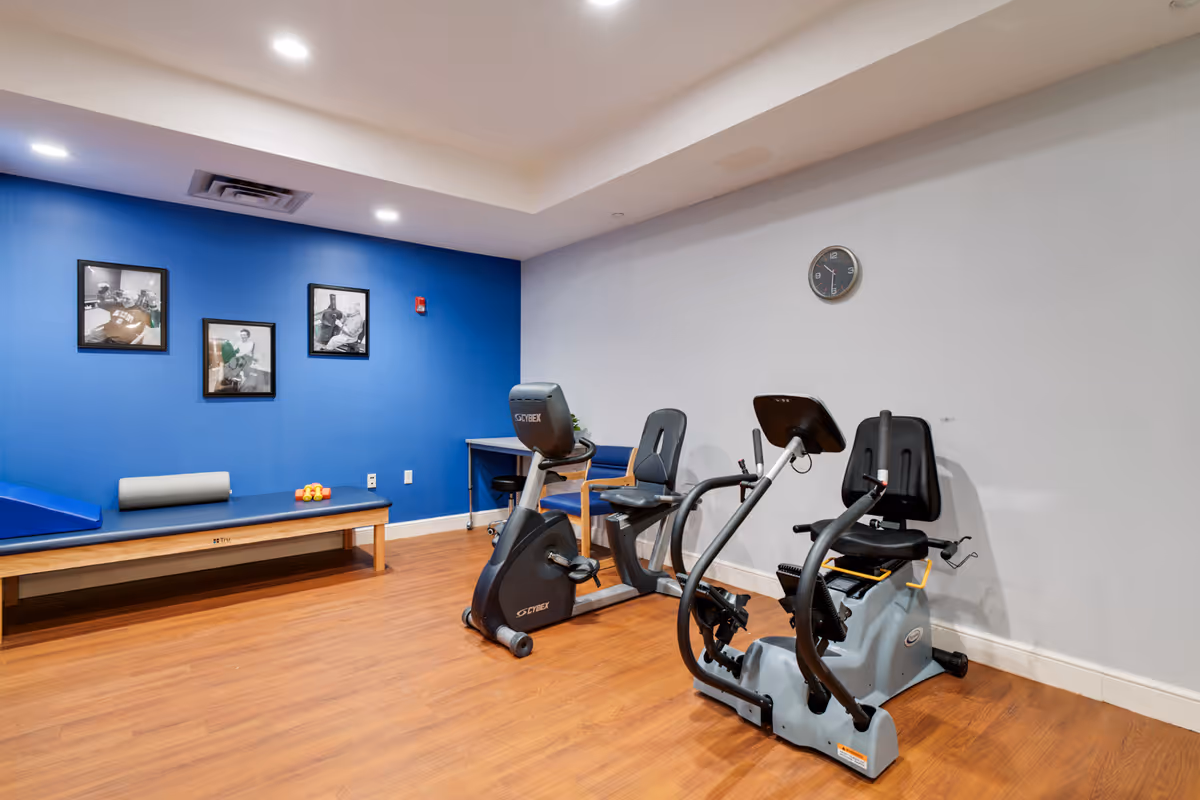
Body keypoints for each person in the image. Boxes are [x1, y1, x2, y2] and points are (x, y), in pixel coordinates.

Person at [85, 290, 151, 345]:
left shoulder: (140, 311)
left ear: (134, 300)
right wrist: (102, 292)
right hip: (108, 333)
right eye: (123, 298)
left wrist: (153, 306)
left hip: (122, 339)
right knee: (90, 340)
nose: (124, 300)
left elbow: (154, 323)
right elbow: (100, 303)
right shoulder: (116, 305)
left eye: (127, 299)